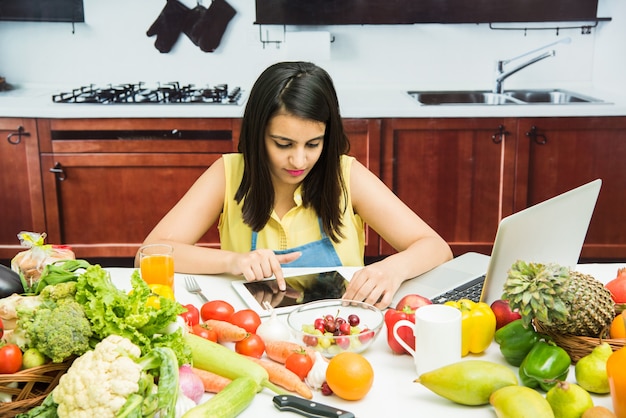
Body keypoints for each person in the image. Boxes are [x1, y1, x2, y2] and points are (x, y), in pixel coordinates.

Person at [141, 61, 452, 309]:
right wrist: (233, 261)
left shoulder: (346, 176)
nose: (299, 160)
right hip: (254, 332)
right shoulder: (228, 173)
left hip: (340, 328)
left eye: (313, 144)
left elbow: (436, 247)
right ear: (258, 134)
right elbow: (148, 254)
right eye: (283, 144)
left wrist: (391, 270)